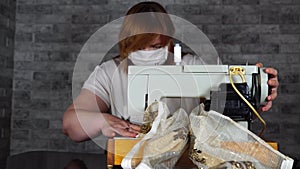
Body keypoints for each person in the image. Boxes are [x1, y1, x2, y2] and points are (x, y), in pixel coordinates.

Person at [62, 1, 279, 142]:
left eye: (155, 47)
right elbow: (71, 124)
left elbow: (231, 95)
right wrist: (102, 121)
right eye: (139, 47)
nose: (147, 53)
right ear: (126, 43)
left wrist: (255, 85)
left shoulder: (192, 66)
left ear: (169, 41)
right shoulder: (109, 73)